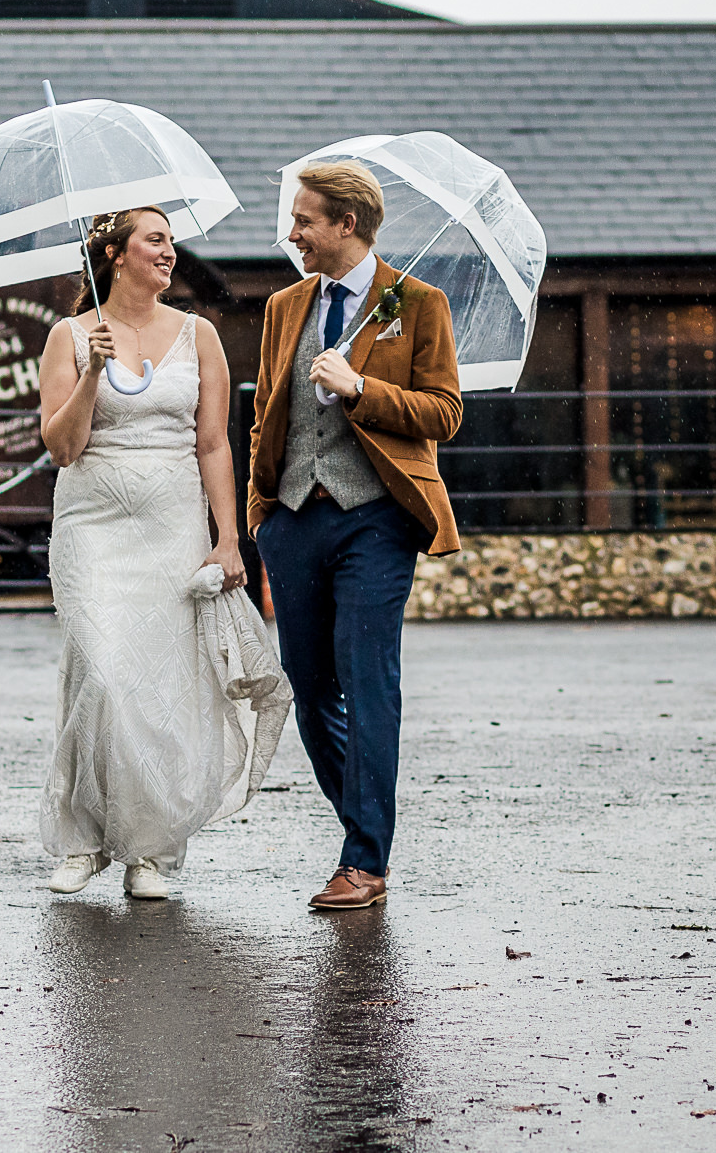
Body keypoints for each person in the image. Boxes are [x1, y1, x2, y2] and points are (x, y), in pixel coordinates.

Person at [37, 207, 288, 900]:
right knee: (105, 677)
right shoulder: (68, 335)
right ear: (116, 254)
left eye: (172, 241)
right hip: (93, 528)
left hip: (173, 526)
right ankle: (83, 836)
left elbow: (213, 442)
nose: (171, 251)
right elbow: (62, 447)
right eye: (156, 239)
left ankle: (152, 849)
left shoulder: (200, 334)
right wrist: (91, 374)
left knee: (163, 686)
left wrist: (227, 536)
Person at [247, 162, 462, 910]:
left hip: (376, 517)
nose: (292, 232)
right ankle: (366, 827)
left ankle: (363, 859)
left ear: (348, 223)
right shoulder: (283, 305)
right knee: (310, 688)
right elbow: (264, 415)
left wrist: (362, 389)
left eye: (305, 219)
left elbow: (444, 412)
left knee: (368, 681)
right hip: (294, 520)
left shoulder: (418, 303)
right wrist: (261, 512)